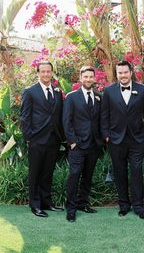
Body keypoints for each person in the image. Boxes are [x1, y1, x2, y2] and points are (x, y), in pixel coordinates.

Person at [101, 60, 144, 220]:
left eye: (125, 72)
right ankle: (124, 205)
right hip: (116, 139)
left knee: (137, 172)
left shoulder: (143, 90)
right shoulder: (109, 91)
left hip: (136, 140)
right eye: (120, 73)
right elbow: (104, 116)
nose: (122, 75)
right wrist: (107, 135)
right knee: (119, 172)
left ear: (131, 73)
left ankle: (139, 206)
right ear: (117, 74)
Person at [20, 61, 64, 217]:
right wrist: (29, 137)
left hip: (54, 139)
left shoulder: (58, 92)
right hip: (37, 139)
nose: (46, 74)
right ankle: (35, 205)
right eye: (43, 71)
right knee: (35, 173)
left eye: (48, 71)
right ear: (38, 73)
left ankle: (46, 202)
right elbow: (25, 116)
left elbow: (58, 115)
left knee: (48, 172)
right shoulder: (30, 91)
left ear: (52, 72)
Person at [63, 66, 103, 222]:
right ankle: (71, 208)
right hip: (78, 145)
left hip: (94, 144)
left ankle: (82, 203)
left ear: (94, 78)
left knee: (88, 176)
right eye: (85, 77)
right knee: (74, 175)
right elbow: (66, 121)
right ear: (80, 78)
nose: (88, 79)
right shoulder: (72, 97)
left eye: (91, 77)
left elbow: (100, 120)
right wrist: (72, 142)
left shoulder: (99, 96)